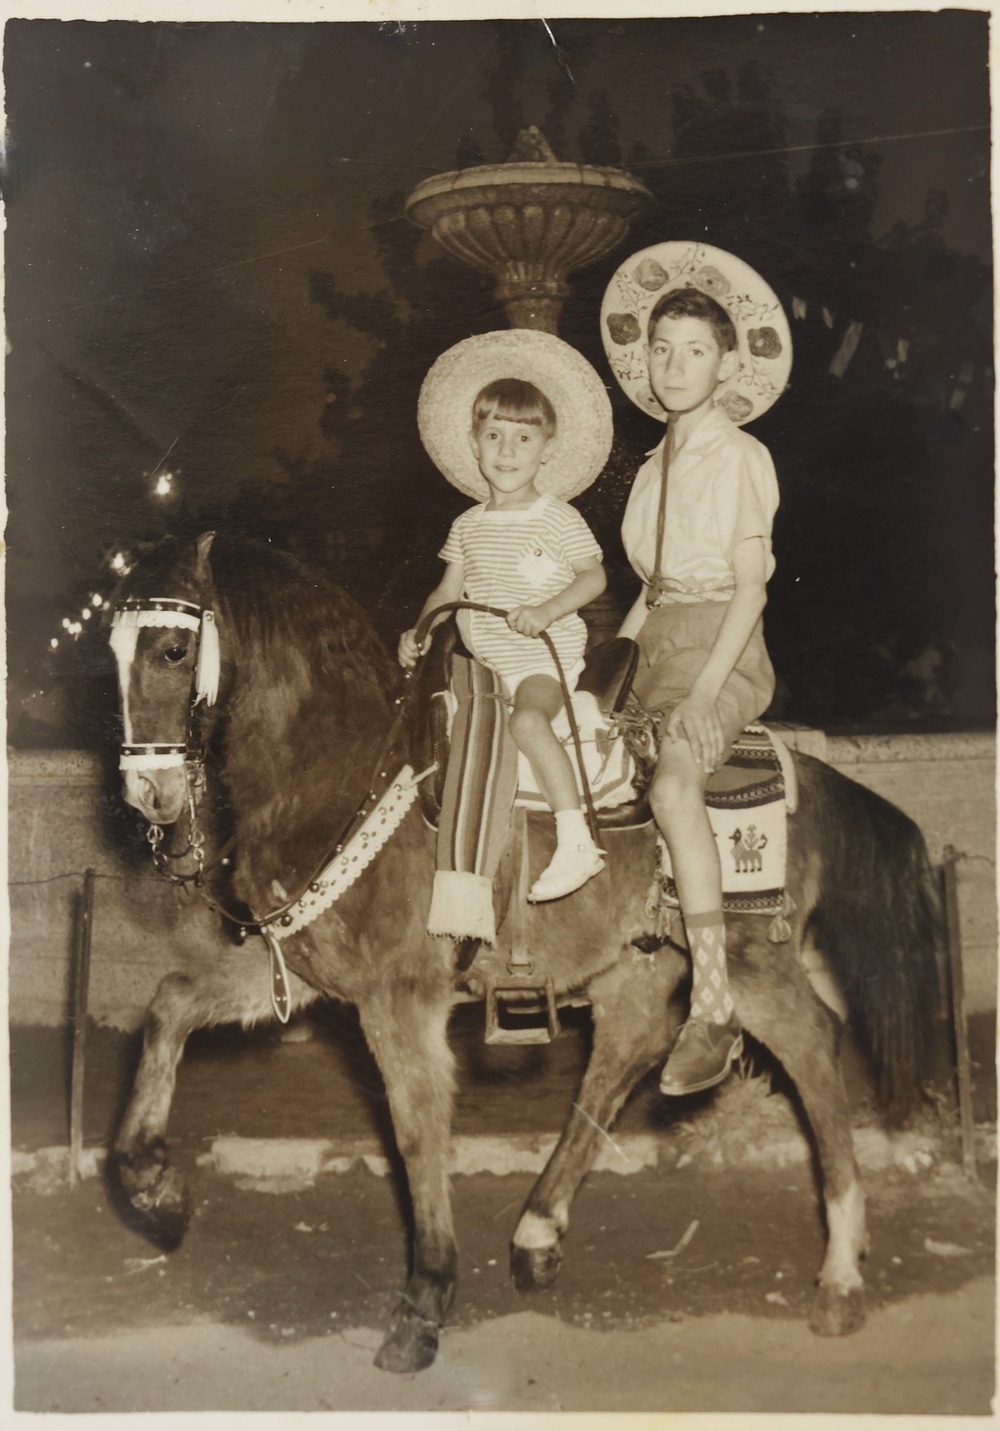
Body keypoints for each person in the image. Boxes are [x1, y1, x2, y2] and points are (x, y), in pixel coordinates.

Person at [601, 243, 792, 1096]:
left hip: (720, 643)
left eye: (696, 351)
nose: (675, 365)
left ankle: (712, 1007)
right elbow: (650, 592)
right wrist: (599, 680)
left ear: (724, 365)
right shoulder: (650, 470)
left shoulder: (742, 457)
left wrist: (707, 696)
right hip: (657, 635)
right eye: (663, 349)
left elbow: (749, 591)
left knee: (675, 782)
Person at [401, 329, 614, 903]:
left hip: (543, 662)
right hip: (487, 667)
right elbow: (446, 592)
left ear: (547, 448)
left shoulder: (557, 516)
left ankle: (576, 840)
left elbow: (595, 576)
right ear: (475, 443)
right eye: (494, 435)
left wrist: (546, 610)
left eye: (524, 438)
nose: (508, 450)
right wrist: (418, 631)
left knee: (527, 723)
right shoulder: (466, 526)